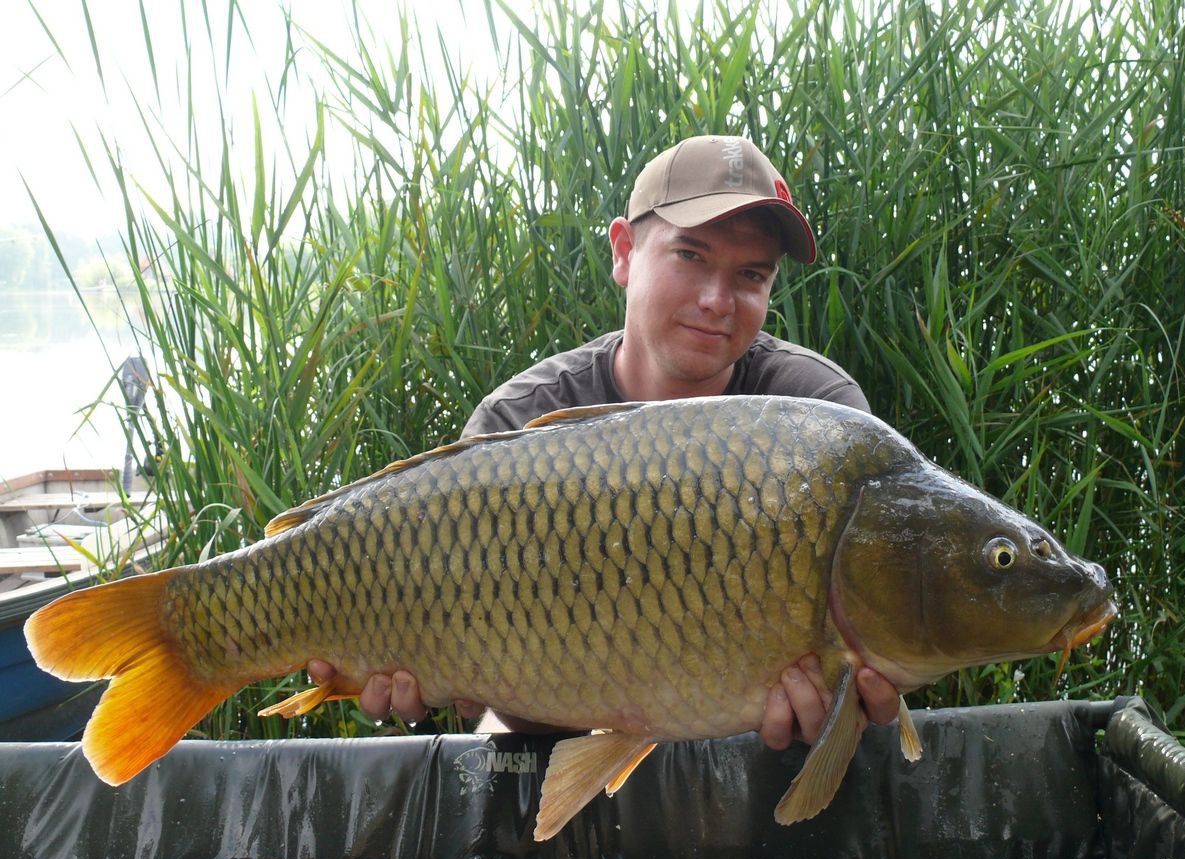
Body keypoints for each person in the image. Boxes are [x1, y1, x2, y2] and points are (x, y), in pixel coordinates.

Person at [310, 134, 901, 746]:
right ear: (624, 251)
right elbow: (502, 709)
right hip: (560, 740)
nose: (716, 301)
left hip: (757, 763)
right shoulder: (522, 420)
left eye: (750, 275)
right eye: (691, 256)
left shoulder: (817, 418)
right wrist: (430, 679)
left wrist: (836, 710)